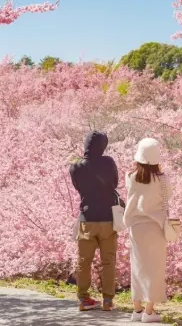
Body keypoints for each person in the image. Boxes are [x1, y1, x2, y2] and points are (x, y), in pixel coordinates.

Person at [69, 130, 122, 312]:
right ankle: (107, 300)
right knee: (108, 261)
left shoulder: (76, 167)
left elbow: (79, 188)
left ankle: (84, 299)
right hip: (107, 219)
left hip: (87, 219)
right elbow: (114, 184)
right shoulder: (108, 163)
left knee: (84, 261)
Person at [123, 138, 171, 323]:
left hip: (136, 227)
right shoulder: (162, 179)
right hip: (156, 227)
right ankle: (149, 312)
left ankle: (137, 310)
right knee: (154, 269)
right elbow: (169, 195)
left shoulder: (130, 176)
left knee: (137, 268)